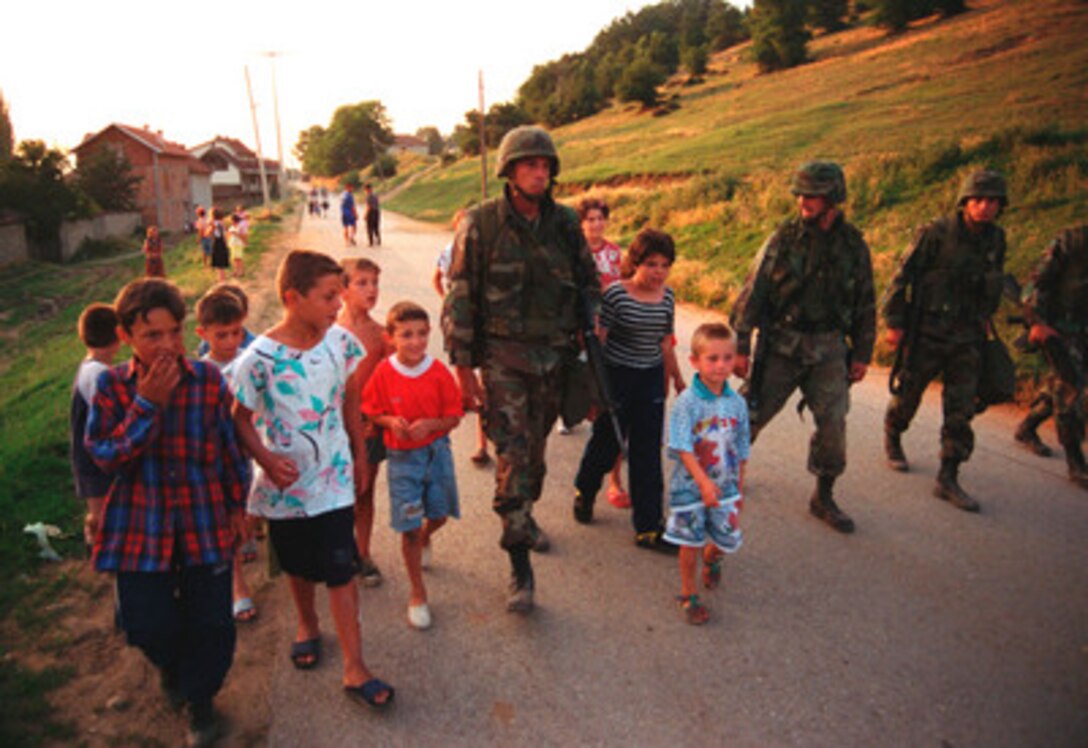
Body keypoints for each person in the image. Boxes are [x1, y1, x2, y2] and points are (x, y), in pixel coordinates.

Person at [441, 125, 601, 613]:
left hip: (554, 359)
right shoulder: (481, 223)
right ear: (509, 171)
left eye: (545, 165)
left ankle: (525, 517)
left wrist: (594, 320)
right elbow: (460, 297)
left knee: (535, 454)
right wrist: (464, 371)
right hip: (503, 358)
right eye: (529, 164)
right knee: (511, 456)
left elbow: (587, 280)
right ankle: (519, 567)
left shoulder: (566, 223)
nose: (539, 171)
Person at [85, 278, 249, 745]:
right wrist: (147, 405)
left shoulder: (207, 380)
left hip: (203, 519)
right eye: (151, 335)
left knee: (214, 625)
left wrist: (238, 505)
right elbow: (106, 455)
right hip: (141, 525)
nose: (166, 346)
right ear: (125, 338)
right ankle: (173, 670)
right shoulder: (112, 387)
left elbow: (227, 447)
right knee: (146, 624)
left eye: (174, 332)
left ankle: (200, 703)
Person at [230, 250, 394, 710]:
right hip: (287, 489)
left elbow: (350, 397)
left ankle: (354, 664)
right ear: (291, 297)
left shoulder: (339, 342)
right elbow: (239, 417)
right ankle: (307, 625)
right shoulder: (258, 358)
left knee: (342, 569)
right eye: (327, 297)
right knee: (299, 566)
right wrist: (264, 457)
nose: (336, 305)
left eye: (339, 294)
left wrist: (361, 453)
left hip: (336, 479)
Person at [730, 161, 875, 534]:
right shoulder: (783, 239)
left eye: (812, 195)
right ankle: (723, 476)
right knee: (749, 415)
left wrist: (862, 353)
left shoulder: (853, 245)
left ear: (833, 198)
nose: (803, 201)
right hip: (781, 345)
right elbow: (753, 291)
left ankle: (824, 495)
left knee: (833, 425)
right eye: (801, 194)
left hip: (828, 349)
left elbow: (865, 302)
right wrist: (741, 344)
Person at [882, 169, 1009, 512]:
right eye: (978, 200)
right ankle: (894, 434)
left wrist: (984, 321)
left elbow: (992, 284)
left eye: (992, 201)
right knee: (909, 395)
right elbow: (900, 278)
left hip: (968, 336)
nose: (984, 207)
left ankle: (948, 475)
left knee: (961, 408)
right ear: (965, 201)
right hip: (928, 332)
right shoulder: (935, 233)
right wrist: (895, 323)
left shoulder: (996, 240)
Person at [572, 228, 685, 548]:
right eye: (651, 264)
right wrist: (594, 389)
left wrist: (675, 379)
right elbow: (601, 339)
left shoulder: (668, 297)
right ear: (635, 263)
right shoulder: (617, 294)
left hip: (649, 377)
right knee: (607, 443)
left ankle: (649, 527)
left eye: (665, 265)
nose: (658, 272)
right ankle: (585, 489)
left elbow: (665, 344)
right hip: (616, 377)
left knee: (647, 452)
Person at [363, 302, 463, 630]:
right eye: (407, 335)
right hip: (401, 459)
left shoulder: (437, 372)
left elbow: (454, 415)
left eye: (421, 334)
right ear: (390, 338)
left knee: (439, 515)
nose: (416, 342)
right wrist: (390, 421)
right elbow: (372, 409)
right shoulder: (383, 372)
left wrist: (431, 425)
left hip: (435, 453)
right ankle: (418, 592)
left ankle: (426, 536)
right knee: (407, 526)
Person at [664, 323, 749, 625]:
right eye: (712, 358)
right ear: (695, 362)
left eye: (727, 358)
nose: (720, 365)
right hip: (690, 488)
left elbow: (741, 447)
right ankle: (689, 593)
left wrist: (738, 487)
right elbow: (682, 447)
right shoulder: (687, 403)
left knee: (725, 538)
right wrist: (702, 484)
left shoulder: (737, 403)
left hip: (725, 486)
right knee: (691, 541)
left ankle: (713, 557)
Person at [196, 286, 258, 624]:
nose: (232, 341)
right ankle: (238, 586)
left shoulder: (250, 361)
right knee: (226, 517)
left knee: (251, 506)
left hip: (251, 448)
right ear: (202, 334)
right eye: (222, 335)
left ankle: (251, 532)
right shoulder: (201, 373)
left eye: (237, 332)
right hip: (220, 458)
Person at [1013, 225, 1088, 488]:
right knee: (1070, 387)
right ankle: (1076, 460)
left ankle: (1028, 426)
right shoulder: (1070, 242)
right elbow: (1035, 284)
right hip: (1059, 330)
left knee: (1061, 383)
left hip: (1084, 331)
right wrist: (1036, 322)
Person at [338, 257, 393, 587]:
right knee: (335, 492)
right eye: (362, 282)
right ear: (343, 290)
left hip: (369, 426)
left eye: (374, 282)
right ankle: (338, 550)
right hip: (334, 426)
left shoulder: (381, 334)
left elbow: (388, 382)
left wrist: (379, 418)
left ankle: (363, 552)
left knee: (364, 489)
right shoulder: (329, 332)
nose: (371, 289)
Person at [572, 197, 627, 508]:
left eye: (600, 219)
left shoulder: (614, 253)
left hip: (609, 334)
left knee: (613, 408)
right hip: (581, 335)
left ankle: (614, 479)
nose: (596, 224)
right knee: (588, 401)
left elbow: (620, 289)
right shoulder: (573, 253)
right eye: (590, 219)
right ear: (581, 224)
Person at [432, 210, 491, 466]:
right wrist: (447, 300)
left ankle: (483, 443)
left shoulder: (487, 250)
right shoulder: (448, 252)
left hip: (485, 324)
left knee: (486, 383)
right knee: (473, 384)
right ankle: (469, 404)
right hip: (460, 323)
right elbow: (436, 278)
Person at [70, 303, 121, 550]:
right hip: (92, 459)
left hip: (94, 456)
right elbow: (109, 413)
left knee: (104, 507)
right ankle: (100, 547)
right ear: (118, 337)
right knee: (101, 512)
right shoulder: (98, 375)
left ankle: (98, 542)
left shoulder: (93, 367)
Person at [209, 207, 230, 282]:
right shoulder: (222, 223)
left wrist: (211, 227)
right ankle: (223, 278)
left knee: (218, 263)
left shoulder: (214, 224)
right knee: (222, 264)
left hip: (217, 243)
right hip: (222, 242)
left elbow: (208, 233)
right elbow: (225, 234)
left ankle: (221, 279)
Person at [227, 214, 245, 279]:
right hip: (232, 244)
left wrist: (235, 233)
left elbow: (242, 236)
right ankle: (236, 271)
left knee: (239, 258)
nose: (231, 222)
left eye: (232, 220)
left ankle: (241, 271)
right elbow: (228, 235)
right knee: (234, 259)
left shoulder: (240, 227)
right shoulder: (231, 227)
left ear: (234, 220)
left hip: (238, 244)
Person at [364, 183, 381, 247]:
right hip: (377, 211)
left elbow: (368, 207)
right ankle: (378, 240)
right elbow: (378, 203)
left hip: (371, 212)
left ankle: (370, 242)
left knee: (369, 228)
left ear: (367, 189)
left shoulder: (368, 196)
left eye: (365, 190)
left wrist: (365, 215)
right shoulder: (376, 195)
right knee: (376, 227)